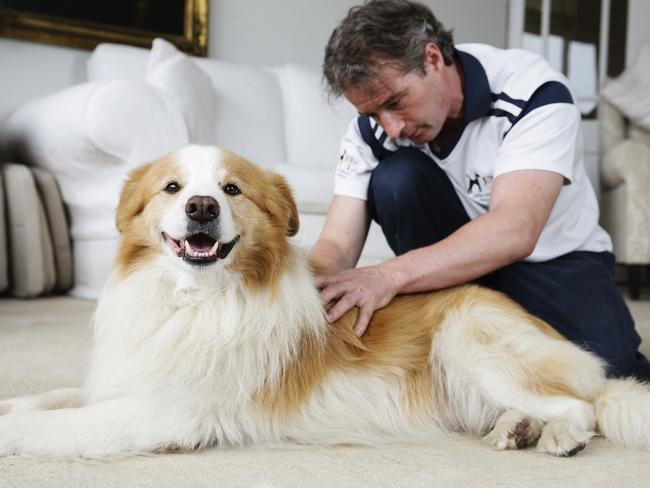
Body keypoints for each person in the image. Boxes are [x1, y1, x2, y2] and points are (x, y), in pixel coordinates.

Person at [310, 0, 650, 380]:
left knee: (614, 374)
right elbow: (338, 244)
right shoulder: (372, 132)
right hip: (448, 271)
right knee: (396, 178)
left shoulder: (534, 91)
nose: (390, 128)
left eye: (395, 102)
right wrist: (299, 299)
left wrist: (387, 276)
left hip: (553, 258)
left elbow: (516, 228)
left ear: (433, 59)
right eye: (372, 114)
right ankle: (449, 335)